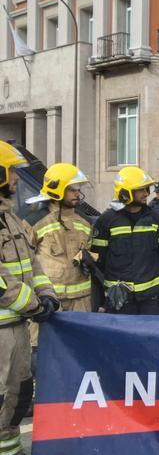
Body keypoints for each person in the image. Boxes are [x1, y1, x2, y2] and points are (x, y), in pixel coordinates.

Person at [0, 141, 59, 455]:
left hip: (19, 328)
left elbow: (32, 265)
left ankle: (10, 449)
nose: (15, 180)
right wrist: (34, 304)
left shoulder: (10, 218)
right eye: (10, 172)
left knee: (20, 396)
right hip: (2, 333)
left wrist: (47, 294)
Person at [90, 166, 159, 315]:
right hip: (119, 298)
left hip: (151, 298)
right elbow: (98, 259)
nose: (146, 194)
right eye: (141, 190)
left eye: (146, 189)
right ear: (125, 193)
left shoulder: (155, 219)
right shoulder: (106, 220)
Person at [28, 163, 92, 313]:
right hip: (50, 301)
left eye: (79, 189)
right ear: (56, 190)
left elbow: (90, 251)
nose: (77, 194)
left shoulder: (84, 222)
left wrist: (90, 259)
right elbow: (25, 260)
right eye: (72, 189)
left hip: (81, 300)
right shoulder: (35, 222)